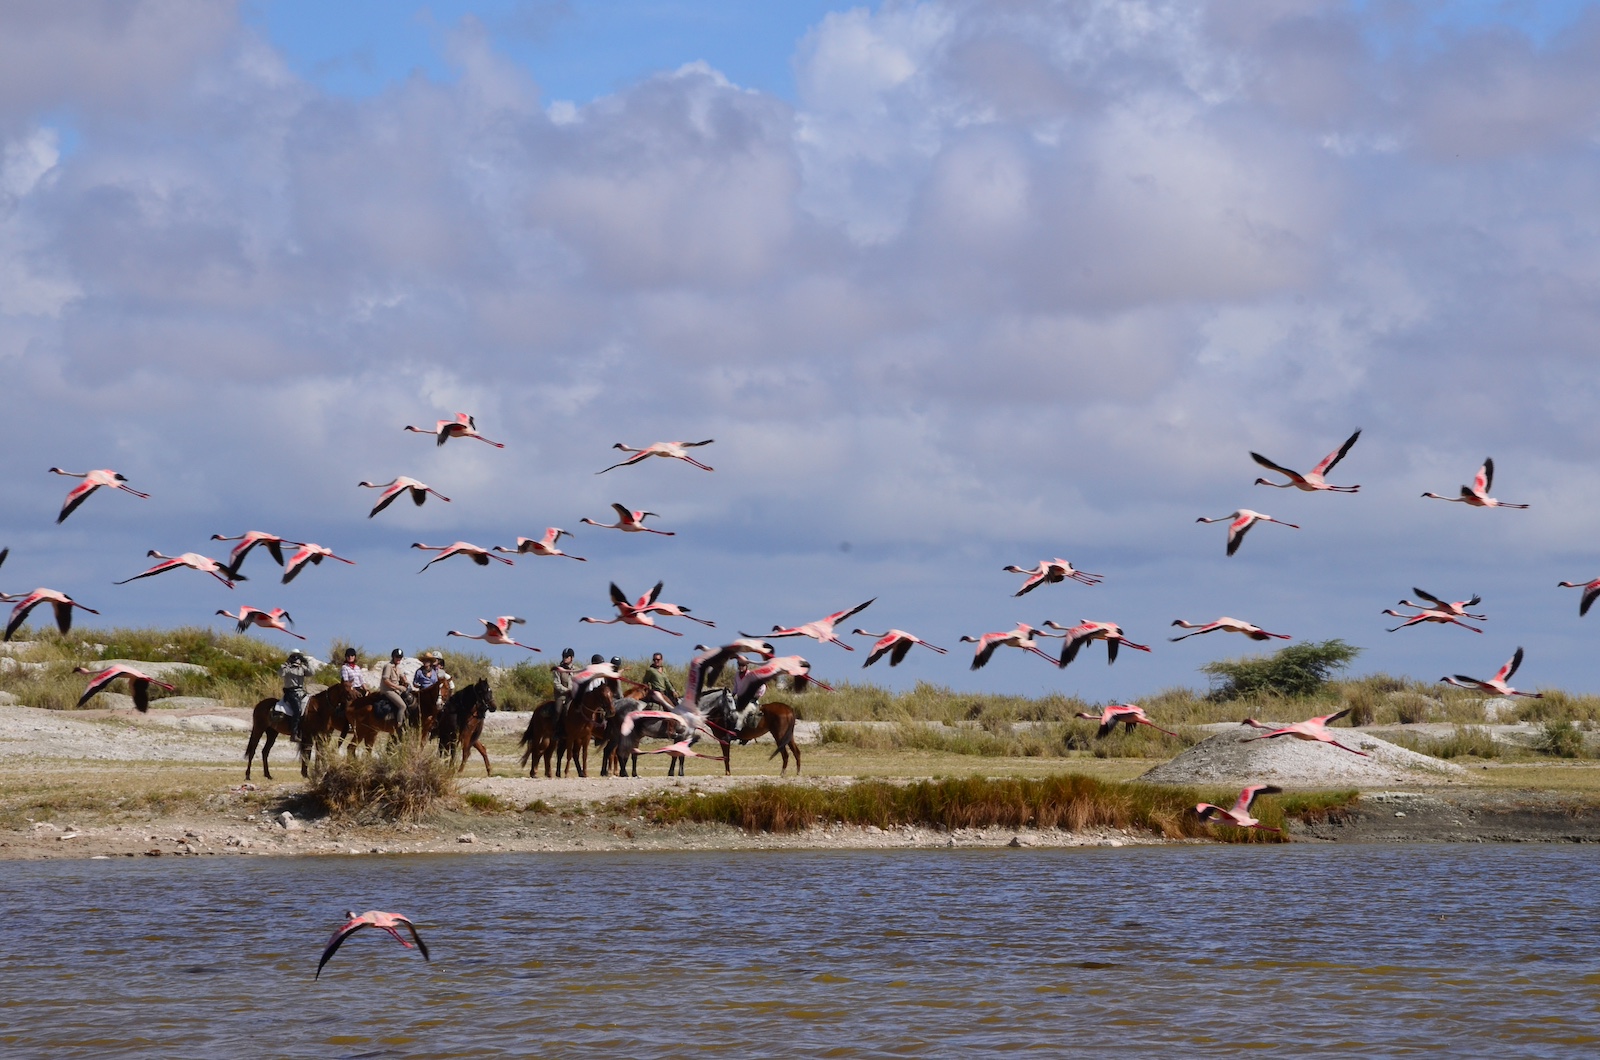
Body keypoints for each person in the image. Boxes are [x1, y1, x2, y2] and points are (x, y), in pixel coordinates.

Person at [279, 649, 314, 740]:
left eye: (297, 656)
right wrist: (286, 664)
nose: (296, 658)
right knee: (297, 710)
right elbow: (281, 673)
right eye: (294, 656)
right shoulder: (287, 668)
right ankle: (294, 733)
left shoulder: (302, 668)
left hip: (301, 692)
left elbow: (311, 673)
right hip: (291, 692)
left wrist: (306, 663)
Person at [379, 648, 412, 726]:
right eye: (397, 657)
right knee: (402, 706)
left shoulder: (397, 667)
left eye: (400, 657)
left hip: (395, 690)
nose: (398, 659)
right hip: (388, 690)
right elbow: (386, 680)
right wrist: (398, 687)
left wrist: (406, 681)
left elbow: (402, 676)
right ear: (393, 657)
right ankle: (399, 725)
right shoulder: (388, 666)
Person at [551, 648, 576, 719]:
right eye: (564, 656)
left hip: (572, 696)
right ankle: (555, 728)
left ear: (572, 658)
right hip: (561, 696)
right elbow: (556, 683)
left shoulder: (576, 670)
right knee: (558, 711)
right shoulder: (558, 670)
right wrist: (567, 690)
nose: (565, 658)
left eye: (567, 657)